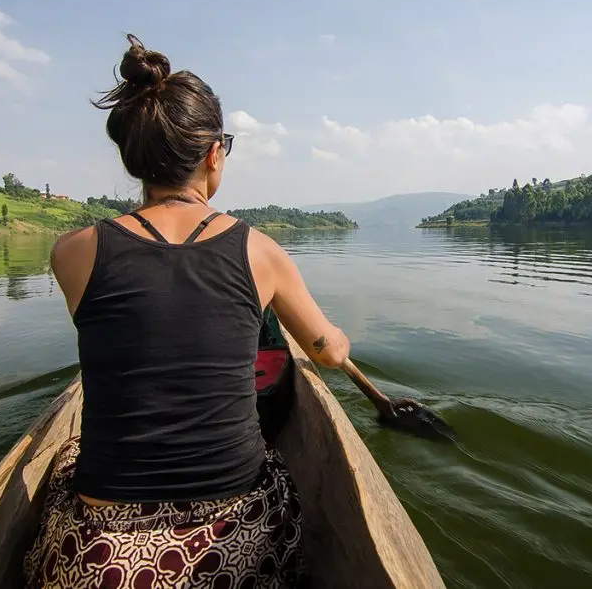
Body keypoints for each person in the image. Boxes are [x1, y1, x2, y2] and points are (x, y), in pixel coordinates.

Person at [24, 34, 351, 589]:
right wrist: (336, 342)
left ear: (136, 157)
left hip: (102, 557)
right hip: (235, 541)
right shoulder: (261, 252)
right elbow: (323, 350)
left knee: (64, 469)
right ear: (214, 154)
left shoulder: (72, 253)